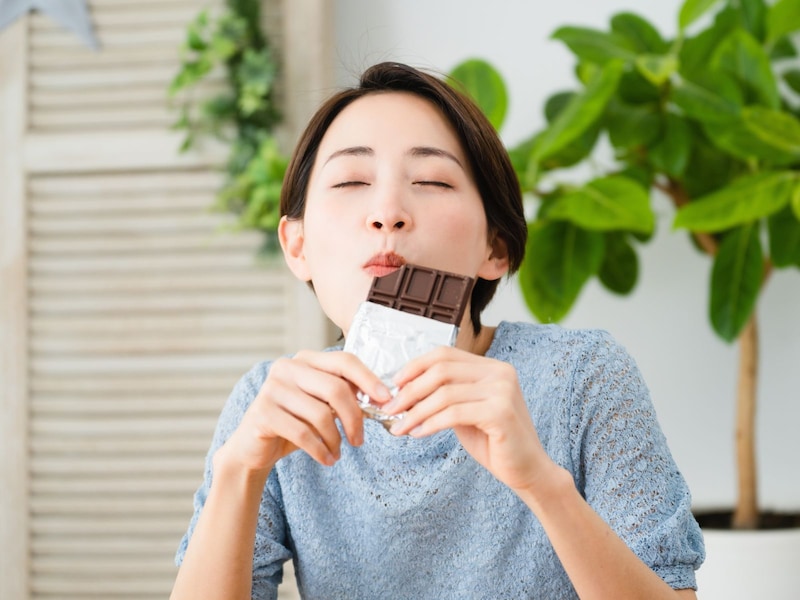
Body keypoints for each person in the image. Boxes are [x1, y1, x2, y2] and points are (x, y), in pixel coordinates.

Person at [171, 62, 704, 600]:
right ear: (297, 246)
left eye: (430, 181)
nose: (387, 212)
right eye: (351, 181)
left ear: (495, 246)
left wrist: (542, 485)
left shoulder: (580, 375)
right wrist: (239, 472)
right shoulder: (271, 405)